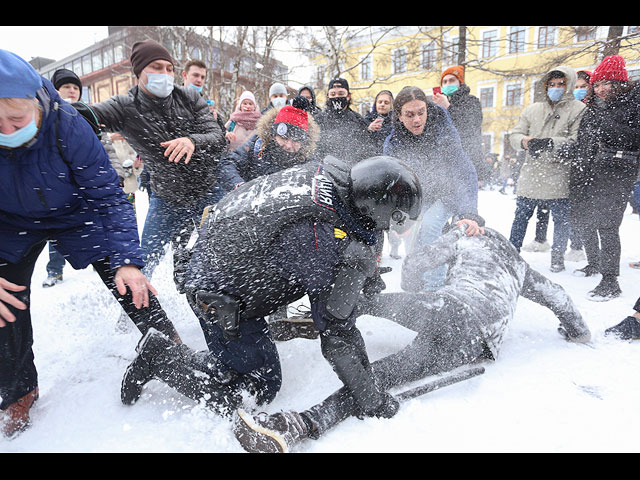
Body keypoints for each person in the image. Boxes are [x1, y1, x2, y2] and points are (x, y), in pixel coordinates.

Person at [232, 221, 592, 453]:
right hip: (473, 343)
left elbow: (418, 262)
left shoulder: (465, 237)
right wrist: (577, 331)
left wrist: (414, 289)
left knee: (367, 302)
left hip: (447, 309)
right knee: (377, 378)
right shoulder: (520, 265)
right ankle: (301, 423)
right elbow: (559, 298)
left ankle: (328, 318)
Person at [120, 155, 423, 422]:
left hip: (227, 261)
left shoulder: (329, 181)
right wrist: (372, 400)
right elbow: (337, 337)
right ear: (375, 206)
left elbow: (361, 234)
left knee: (252, 363)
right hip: (220, 294)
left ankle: (220, 355)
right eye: (393, 220)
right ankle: (160, 357)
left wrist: (363, 276)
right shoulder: (321, 238)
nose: (389, 230)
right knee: (256, 386)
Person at [0, 49, 180, 439]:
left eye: (17, 119)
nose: (8, 131)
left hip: (75, 212)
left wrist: (128, 260)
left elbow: (108, 197)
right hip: (9, 225)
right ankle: (17, 389)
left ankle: (170, 346)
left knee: (126, 275)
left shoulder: (68, 124)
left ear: (37, 104)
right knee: (4, 303)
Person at [86, 40, 227, 280]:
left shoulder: (190, 97)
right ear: (139, 72)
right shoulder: (125, 106)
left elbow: (217, 137)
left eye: (169, 68)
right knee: (145, 259)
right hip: (168, 198)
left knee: (233, 245)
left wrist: (192, 141)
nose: (165, 74)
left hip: (208, 190)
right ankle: (136, 308)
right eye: (156, 67)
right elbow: (87, 115)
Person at [383, 85, 481, 290]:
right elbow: (393, 182)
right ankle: (415, 284)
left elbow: (463, 172)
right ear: (399, 116)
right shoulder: (393, 143)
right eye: (409, 115)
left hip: (447, 193)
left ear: (427, 110)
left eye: (421, 113)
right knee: (412, 236)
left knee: (429, 227)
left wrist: (469, 213)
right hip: (418, 197)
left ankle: (433, 289)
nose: (417, 120)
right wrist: (398, 215)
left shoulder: (444, 133)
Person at [563, 55, 640, 301]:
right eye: (597, 84)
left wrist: (606, 127)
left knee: (607, 225)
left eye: (607, 83)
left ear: (620, 83)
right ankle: (593, 263)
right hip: (588, 170)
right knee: (584, 219)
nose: (601, 89)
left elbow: (633, 138)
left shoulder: (633, 105)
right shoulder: (593, 108)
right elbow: (585, 141)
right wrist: (568, 151)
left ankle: (610, 281)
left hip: (618, 170)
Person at [508, 66, 587, 273]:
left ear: (568, 85)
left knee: (561, 219)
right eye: (552, 84)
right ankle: (511, 254)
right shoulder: (533, 109)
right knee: (521, 216)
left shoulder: (578, 109)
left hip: (558, 172)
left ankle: (558, 257)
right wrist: (525, 142)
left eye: (561, 84)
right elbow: (514, 134)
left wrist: (551, 143)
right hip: (532, 171)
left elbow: (576, 140)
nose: (556, 88)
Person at [217, 96, 319, 191]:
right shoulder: (257, 145)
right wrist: (240, 187)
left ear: (303, 142)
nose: (289, 145)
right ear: (274, 135)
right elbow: (227, 164)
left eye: (295, 141)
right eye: (284, 138)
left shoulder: (308, 161)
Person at [432, 65, 488, 185]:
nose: (447, 84)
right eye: (444, 82)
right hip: (445, 164)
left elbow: (469, 126)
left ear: (460, 82)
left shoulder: (471, 101)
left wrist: (448, 107)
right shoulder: (442, 104)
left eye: (452, 80)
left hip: (467, 161)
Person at [314, 78, 376, 165]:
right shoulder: (318, 120)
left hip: (351, 170)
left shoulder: (358, 120)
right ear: (328, 96)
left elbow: (366, 148)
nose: (336, 97)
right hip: (324, 170)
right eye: (333, 94)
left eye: (341, 93)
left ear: (348, 96)